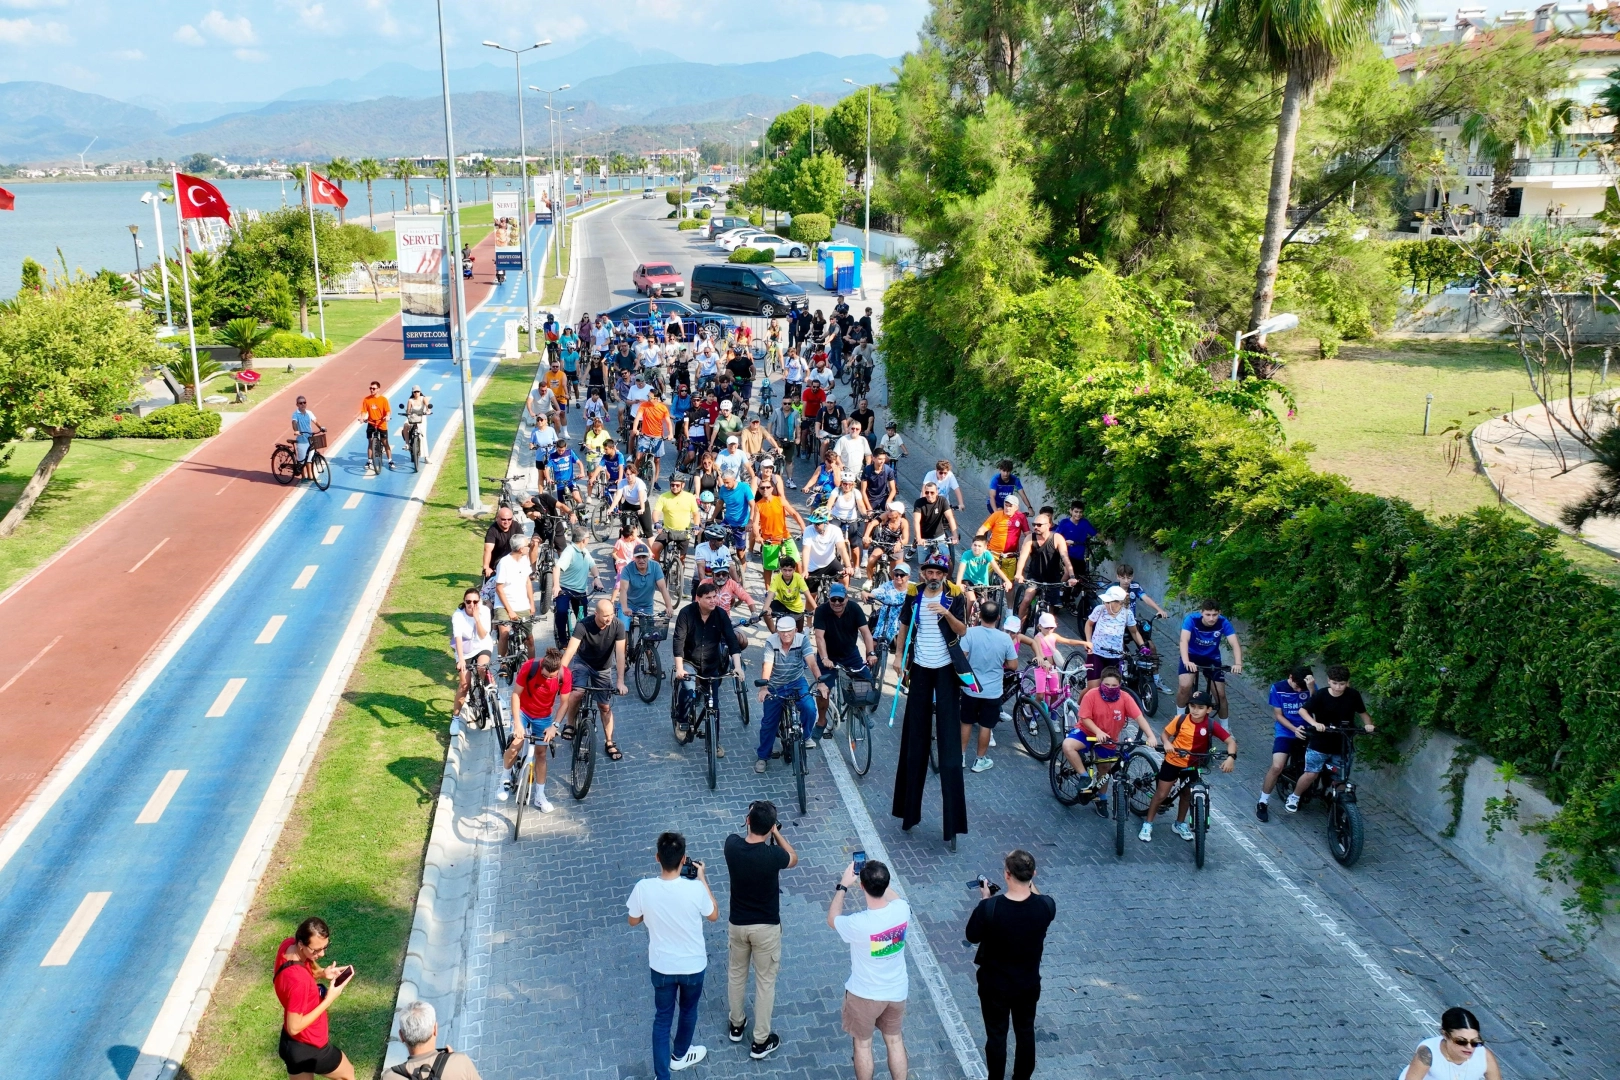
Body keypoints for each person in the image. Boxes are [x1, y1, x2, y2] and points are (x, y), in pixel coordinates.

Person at [892, 551, 970, 845]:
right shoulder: (913, 596)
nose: (933, 576)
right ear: (923, 573)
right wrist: (899, 656)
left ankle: (952, 829)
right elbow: (903, 627)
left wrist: (946, 613)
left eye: (938, 572)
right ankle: (908, 814)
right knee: (914, 743)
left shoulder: (955, 597)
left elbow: (962, 631)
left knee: (950, 750)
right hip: (921, 670)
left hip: (947, 672)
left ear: (945, 575)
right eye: (929, 571)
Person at [627, 832, 719, 1080]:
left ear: (657, 858)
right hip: (693, 967)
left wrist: (652, 912)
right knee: (689, 1010)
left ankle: (662, 1076)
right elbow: (713, 915)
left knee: (662, 1019)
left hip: (661, 967)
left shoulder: (643, 888)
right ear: (684, 860)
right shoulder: (695, 889)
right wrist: (702, 878)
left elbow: (633, 920)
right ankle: (679, 1056)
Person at [965, 851, 1056, 1080]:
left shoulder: (991, 908)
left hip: (995, 985)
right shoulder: (1046, 906)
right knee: (1025, 1032)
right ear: (1033, 874)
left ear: (1006, 875)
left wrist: (984, 898)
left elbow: (972, 935)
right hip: (1027, 984)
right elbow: (1038, 896)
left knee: (996, 1035)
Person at [724, 801, 798, 1059]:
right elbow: (794, 857)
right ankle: (760, 1040)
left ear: (747, 820)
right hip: (766, 928)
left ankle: (736, 1024)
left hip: (738, 925)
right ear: (769, 829)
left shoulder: (731, 846)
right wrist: (776, 833)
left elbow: (741, 834)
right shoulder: (773, 856)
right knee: (765, 983)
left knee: (736, 975)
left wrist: (760, 825)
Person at [828, 859, 911, 1080]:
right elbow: (894, 897)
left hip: (865, 994)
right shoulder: (902, 910)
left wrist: (843, 885)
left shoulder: (859, 923)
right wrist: (877, 878)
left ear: (862, 886)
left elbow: (832, 919)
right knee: (894, 1041)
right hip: (896, 991)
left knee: (863, 1046)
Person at [1139, 691, 1236, 842]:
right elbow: (1165, 734)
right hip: (1173, 761)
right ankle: (1148, 823)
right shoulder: (1181, 719)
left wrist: (1231, 758)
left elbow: (1230, 741)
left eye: (1200, 707)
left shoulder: (1211, 725)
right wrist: (1167, 743)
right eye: (1192, 706)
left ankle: (1179, 823)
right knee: (1161, 794)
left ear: (1209, 710)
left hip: (1193, 765)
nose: (1195, 710)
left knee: (1187, 795)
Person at [1063, 666, 1158, 807]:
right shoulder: (1091, 695)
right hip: (1086, 732)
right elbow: (1084, 718)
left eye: (1114, 685)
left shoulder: (1125, 698)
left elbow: (1139, 718)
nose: (1110, 687)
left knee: (1105, 769)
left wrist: (1151, 736)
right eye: (1107, 684)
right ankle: (1084, 777)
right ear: (1101, 683)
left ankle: (1102, 799)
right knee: (1068, 745)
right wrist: (1098, 731)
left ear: (1120, 685)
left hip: (1108, 739)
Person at [274, 916, 355, 1080]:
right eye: (316, 950)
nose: (322, 953)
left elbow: (304, 964)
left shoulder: (287, 946)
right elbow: (294, 1027)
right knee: (347, 1074)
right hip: (311, 1046)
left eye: (325, 947)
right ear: (301, 944)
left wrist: (322, 973)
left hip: (290, 1046)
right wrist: (329, 999)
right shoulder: (299, 983)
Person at [1287, 664, 1375, 813]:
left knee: (1340, 778)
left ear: (1348, 683)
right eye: (1335, 683)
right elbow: (1303, 711)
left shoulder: (1353, 695)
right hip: (1320, 743)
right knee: (1311, 774)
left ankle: (1339, 804)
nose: (1338, 687)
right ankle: (1295, 796)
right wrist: (1315, 723)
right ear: (1328, 681)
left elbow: (1363, 713)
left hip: (1342, 744)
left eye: (1342, 684)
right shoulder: (1321, 695)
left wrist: (1369, 725)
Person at [557, 598, 629, 762]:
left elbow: (620, 654)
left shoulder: (618, 626)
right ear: (596, 614)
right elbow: (571, 650)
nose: (609, 618)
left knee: (604, 706)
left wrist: (620, 681)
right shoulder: (583, 624)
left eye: (611, 614)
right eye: (605, 616)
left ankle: (609, 741)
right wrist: (562, 671)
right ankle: (570, 724)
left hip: (603, 668)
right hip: (583, 663)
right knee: (577, 693)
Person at [672, 580, 747, 734]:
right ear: (698, 599)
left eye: (714, 596)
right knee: (688, 688)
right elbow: (678, 641)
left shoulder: (720, 614)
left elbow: (732, 641)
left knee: (714, 705)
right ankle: (682, 720)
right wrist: (679, 668)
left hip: (712, 664)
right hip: (689, 661)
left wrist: (737, 667)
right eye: (708, 597)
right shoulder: (686, 613)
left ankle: (715, 742)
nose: (713, 600)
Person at [501, 647, 570, 812]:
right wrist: (517, 723)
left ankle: (540, 796)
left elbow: (565, 702)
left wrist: (554, 726)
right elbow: (516, 695)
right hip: (523, 711)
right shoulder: (530, 666)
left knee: (541, 754)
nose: (547, 679)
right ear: (542, 666)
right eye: (545, 675)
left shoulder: (564, 675)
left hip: (544, 717)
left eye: (551, 677)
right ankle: (504, 777)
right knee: (516, 743)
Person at [958, 600, 1019, 773]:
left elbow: (962, 657)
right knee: (986, 725)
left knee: (966, 722)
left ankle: (960, 756)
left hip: (971, 687)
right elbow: (1013, 665)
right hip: (992, 691)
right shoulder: (1005, 638)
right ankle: (979, 760)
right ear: (998, 618)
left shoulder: (969, 633)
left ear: (980, 616)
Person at [812, 582, 876, 744]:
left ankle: (860, 710)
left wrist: (871, 653)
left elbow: (866, 633)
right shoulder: (821, 611)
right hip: (828, 656)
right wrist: (825, 658)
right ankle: (821, 721)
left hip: (850, 654)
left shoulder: (854, 608)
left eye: (840, 600)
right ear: (829, 599)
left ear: (847, 599)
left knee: (865, 679)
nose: (837, 603)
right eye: (833, 600)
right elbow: (819, 637)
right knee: (823, 690)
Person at [757, 616, 822, 771]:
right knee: (768, 723)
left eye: (789, 631)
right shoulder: (771, 642)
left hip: (796, 681)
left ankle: (806, 736)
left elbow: (812, 662)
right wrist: (764, 687)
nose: (785, 634)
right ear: (777, 631)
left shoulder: (802, 640)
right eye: (782, 631)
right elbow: (767, 665)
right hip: (775, 684)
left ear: (796, 630)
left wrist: (821, 682)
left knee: (810, 708)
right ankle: (763, 757)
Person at [1258, 665, 1314, 821]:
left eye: (1301, 689)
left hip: (1308, 730)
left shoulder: (1309, 686)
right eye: (1297, 687)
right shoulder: (1277, 688)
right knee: (1277, 766)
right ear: (1290, 677)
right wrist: (1294, 729)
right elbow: (1278, 715)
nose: (1298, 691)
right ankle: (1263, 801)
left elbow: (1316, 704)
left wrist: (1310, 688)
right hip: (1286, 731)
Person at [1176, 599, 1243, 719]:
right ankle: (1178, 718)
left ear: (1219, 613)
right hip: (1191, 656)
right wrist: (1186, 661)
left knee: (1220, 695)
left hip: (1212, 658)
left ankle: (1225, 728)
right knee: (1184, 687)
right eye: (1208, 614)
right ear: (1202, 612)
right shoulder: (1191, 620)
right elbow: (1183, 641)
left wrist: (1238, 663)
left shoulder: (1223, 622)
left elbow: (1235, 644)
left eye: (1215, 615)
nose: (1211, 618)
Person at [1013, 512, 1079, 628]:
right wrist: (1019, 573)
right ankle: (1017, 627)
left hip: (1052, 578)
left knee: (1051, 608)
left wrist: (1072, 576)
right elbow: (1023, 557)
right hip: (1035, 576)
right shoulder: (1030, 538)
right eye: (1034, 524)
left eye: (1039, 525)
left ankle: (1046, 635)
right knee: (1027, 599)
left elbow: (1065, 558)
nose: (1035, 527)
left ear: (1048, 525)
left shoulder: (1057, 538)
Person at [1399, 1007, 1501, 1080]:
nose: (1469, 1047)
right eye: (1461, 1041)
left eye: (1475, 1042)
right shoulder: (1427, 1053)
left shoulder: (1485, 1056)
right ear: (1445, 1035)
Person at [391, 999, 482, 1080]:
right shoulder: (460, 1062)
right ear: (435, 1029)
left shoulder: (390, 1076)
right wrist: (452, 1060)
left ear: (401, 1036)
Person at [1084, 584, 1148, 689]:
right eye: (1105, 601)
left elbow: (1134, 632)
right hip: (1096, 653)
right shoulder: (1100, 610)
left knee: (1112, 687)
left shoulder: (1127, 614)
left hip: (1115, 656)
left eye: (1109, 602)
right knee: (1093, 689)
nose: (1105, 604)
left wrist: (1142, 647)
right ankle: (1079, 705)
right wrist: (1088, 641)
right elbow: (1089, 624)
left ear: (1119, 602)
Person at [450, 588, 494, 728]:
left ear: (479, 601)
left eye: (475, 601)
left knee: (482, 668)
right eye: (468, 601)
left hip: (482, 645)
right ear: (464, 602)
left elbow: (482, 635)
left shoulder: (484, 611)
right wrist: (461, 659)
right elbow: (457, 637)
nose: (472, 604)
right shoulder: (458, 616)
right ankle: (455, 718)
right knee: (464, 685)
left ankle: (494, 694)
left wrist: (476, 618)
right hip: (465, 649)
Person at [552, 526, 600, 645]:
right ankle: (562, 640)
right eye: (589, 537)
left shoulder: (585, 551)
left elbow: (592, 565)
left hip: (580, 591)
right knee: (562, 612)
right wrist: (557, 586)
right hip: (565, 589)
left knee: (583, 618)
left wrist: (597, 578)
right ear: (584, 540)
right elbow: (557, 568)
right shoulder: (570, 552)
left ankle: (581, 640)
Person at [753, 483, 805, 589]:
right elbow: (755, 523)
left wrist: (803, 527)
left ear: (772, 488)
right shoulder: (758, 505)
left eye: (768, 487)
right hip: (769, 541)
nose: (765, 489)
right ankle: (768, 592)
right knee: (768, 568)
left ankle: (799, 587)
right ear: (759, 490)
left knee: (797, 562)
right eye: (762, 488)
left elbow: (794, 513)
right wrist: (757, 536)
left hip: (785, 537)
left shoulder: (780, 500)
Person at [491, 541, 534, 660]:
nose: (529, 547)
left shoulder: (525, 560)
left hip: (522, 605)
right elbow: (499, 588)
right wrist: (509, 611)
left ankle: (532, 670)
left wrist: (531, 603)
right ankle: (503, 663)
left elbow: (528, 582)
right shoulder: (504, 563)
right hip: (504, 606)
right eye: (527, 545)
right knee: (504, 634)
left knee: (529, 639)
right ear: (521, 549)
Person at [978, 496, 1030, 583]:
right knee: (981, 580)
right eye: (1006, 505)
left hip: (1010, 556)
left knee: (1010, 584)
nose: (1007, 508)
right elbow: (981, 530)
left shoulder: (1021, 517)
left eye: (1010, 506)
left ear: (1016, 508)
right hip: (993, 554)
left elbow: (1028, 535)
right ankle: (979, 595)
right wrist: (980, 547)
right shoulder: (996, 515)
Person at [1051, 500, 1098, 571]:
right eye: (1076, 512)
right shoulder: (1064, 523)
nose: (1078, 514)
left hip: (1080, 556)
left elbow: (1095, 533)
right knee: (1068, 574)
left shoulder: (1085, 523)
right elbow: (1056, 537)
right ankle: (1060, 582)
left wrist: (1106, 539)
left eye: (1080, 512)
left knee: (1081, 578)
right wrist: (1064, 542)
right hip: (1067, 555)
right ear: (1071, 511)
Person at [359, 380, 393, 472]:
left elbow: (388, 411)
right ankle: (369, 461)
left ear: (378, 389)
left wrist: (387, 416)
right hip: (371, 423)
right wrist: (362, 418)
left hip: (382, 423)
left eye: (374, 388)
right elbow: (363, 411)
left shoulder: (383, 399)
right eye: (370, 388)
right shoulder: (367, 399)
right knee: (370, 442)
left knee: (385, 442)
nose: (371, 390)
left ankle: (390, 460)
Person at [287, 396, 325, 476]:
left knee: (309, 459)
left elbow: (315, 421)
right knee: (301, 461)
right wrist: (296, 431)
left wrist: (321, 428)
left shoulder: (309, 413)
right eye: (300, 403)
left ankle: (310, 476)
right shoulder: (295, 414)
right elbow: (294, 422)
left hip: (309, 439)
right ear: (297, 404)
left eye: (304, 402)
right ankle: (303, 477)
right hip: (301, 440)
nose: (303, 404)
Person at [401, 387, 433, 463]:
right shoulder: (410, 400)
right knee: (405, 425)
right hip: (412, 418)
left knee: (423, 436)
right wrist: (407, 413)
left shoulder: (423, 398)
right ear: (412, 393)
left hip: (421, 418)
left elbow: (428, 406)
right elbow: (408, 410)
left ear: (420, 392)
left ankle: (426, 457)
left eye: (418, 391)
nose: (416, 393)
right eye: (414, 392)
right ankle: (407, 444)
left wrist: (428, 411)